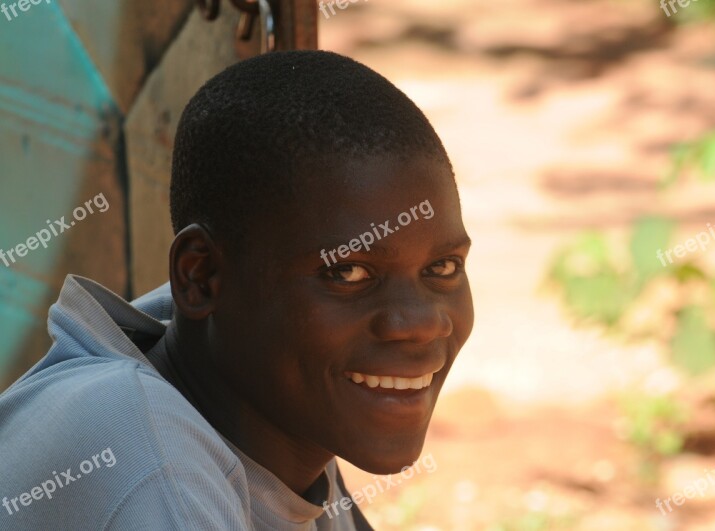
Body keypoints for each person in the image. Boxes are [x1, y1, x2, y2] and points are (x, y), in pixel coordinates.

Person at [0, 50, 474, 530]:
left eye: (443, 266)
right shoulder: (143, 458)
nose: (420, 322)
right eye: (348, 273)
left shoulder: (279, 405)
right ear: (200, 277)